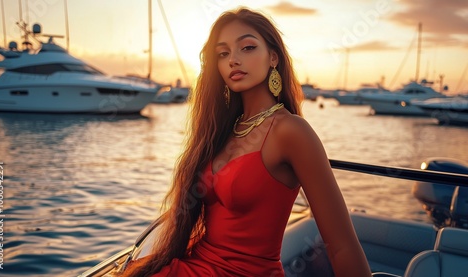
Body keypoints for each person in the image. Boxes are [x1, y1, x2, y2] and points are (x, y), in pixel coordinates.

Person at [124, 7, 372, 277]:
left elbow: (341, 245)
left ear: (273, 57)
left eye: (247, 48)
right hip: (195, 265)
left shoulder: (291, 131)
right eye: (223, 53)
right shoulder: (221, 130)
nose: (233, 60)